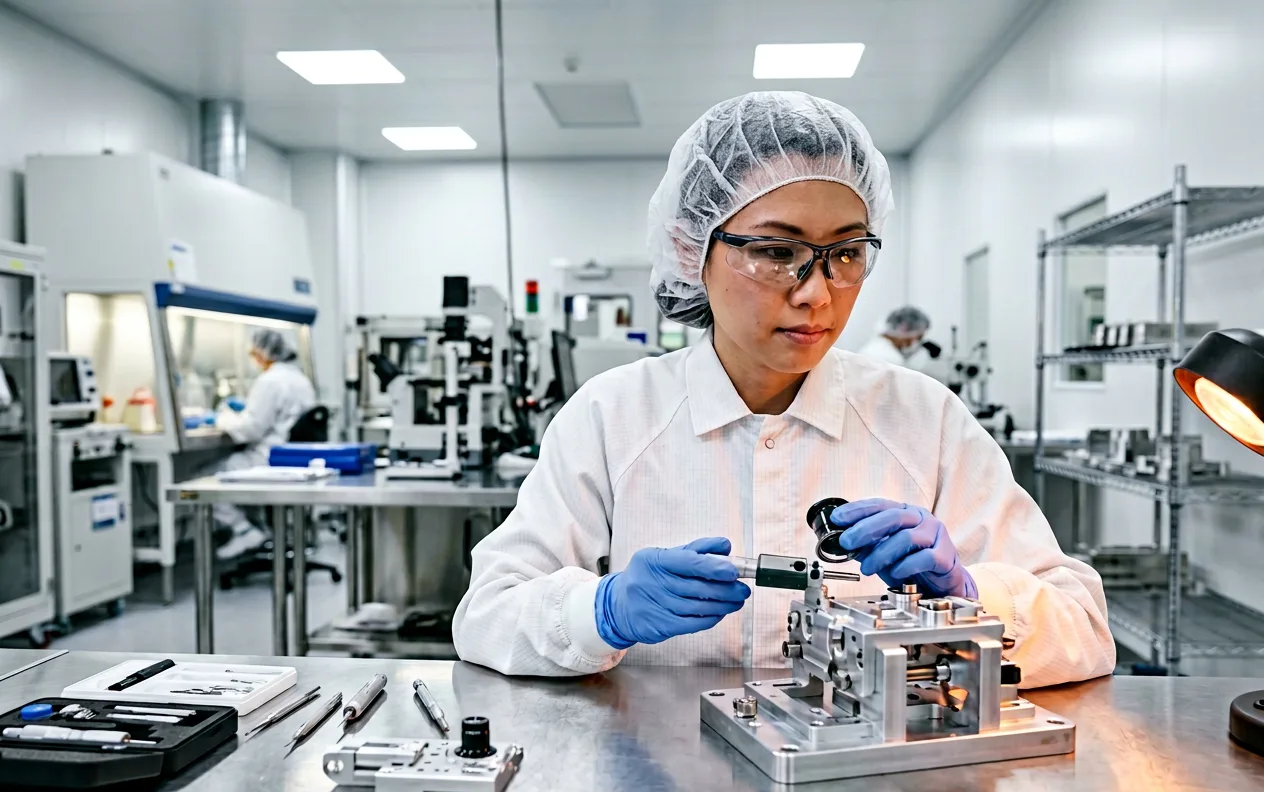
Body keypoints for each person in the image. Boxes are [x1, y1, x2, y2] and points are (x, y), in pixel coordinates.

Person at [453, 91, 1114, 687]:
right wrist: (599, 612)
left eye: (847, 253)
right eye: (775, 251)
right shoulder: (611, 417)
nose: (816, 293)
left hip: (875, 789)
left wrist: (969, 595)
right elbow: (487, 614)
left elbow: (1082, 626)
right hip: (652, 787)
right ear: (692, 251)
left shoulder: (924, 419)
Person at [214, 328, 316, 559]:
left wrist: (222, 418)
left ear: (262, 353)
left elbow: (251, 429)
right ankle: (262, 531)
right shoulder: (299, 378)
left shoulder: (270, 381)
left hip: (269, 458)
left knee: (206, 477)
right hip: (294, 457)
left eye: (253, 353)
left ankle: (245, 531)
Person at [859, 306, 944, 378]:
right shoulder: (891, 359)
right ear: (905, 330)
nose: (917, 342)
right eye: (918, 337)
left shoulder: (874, 347)